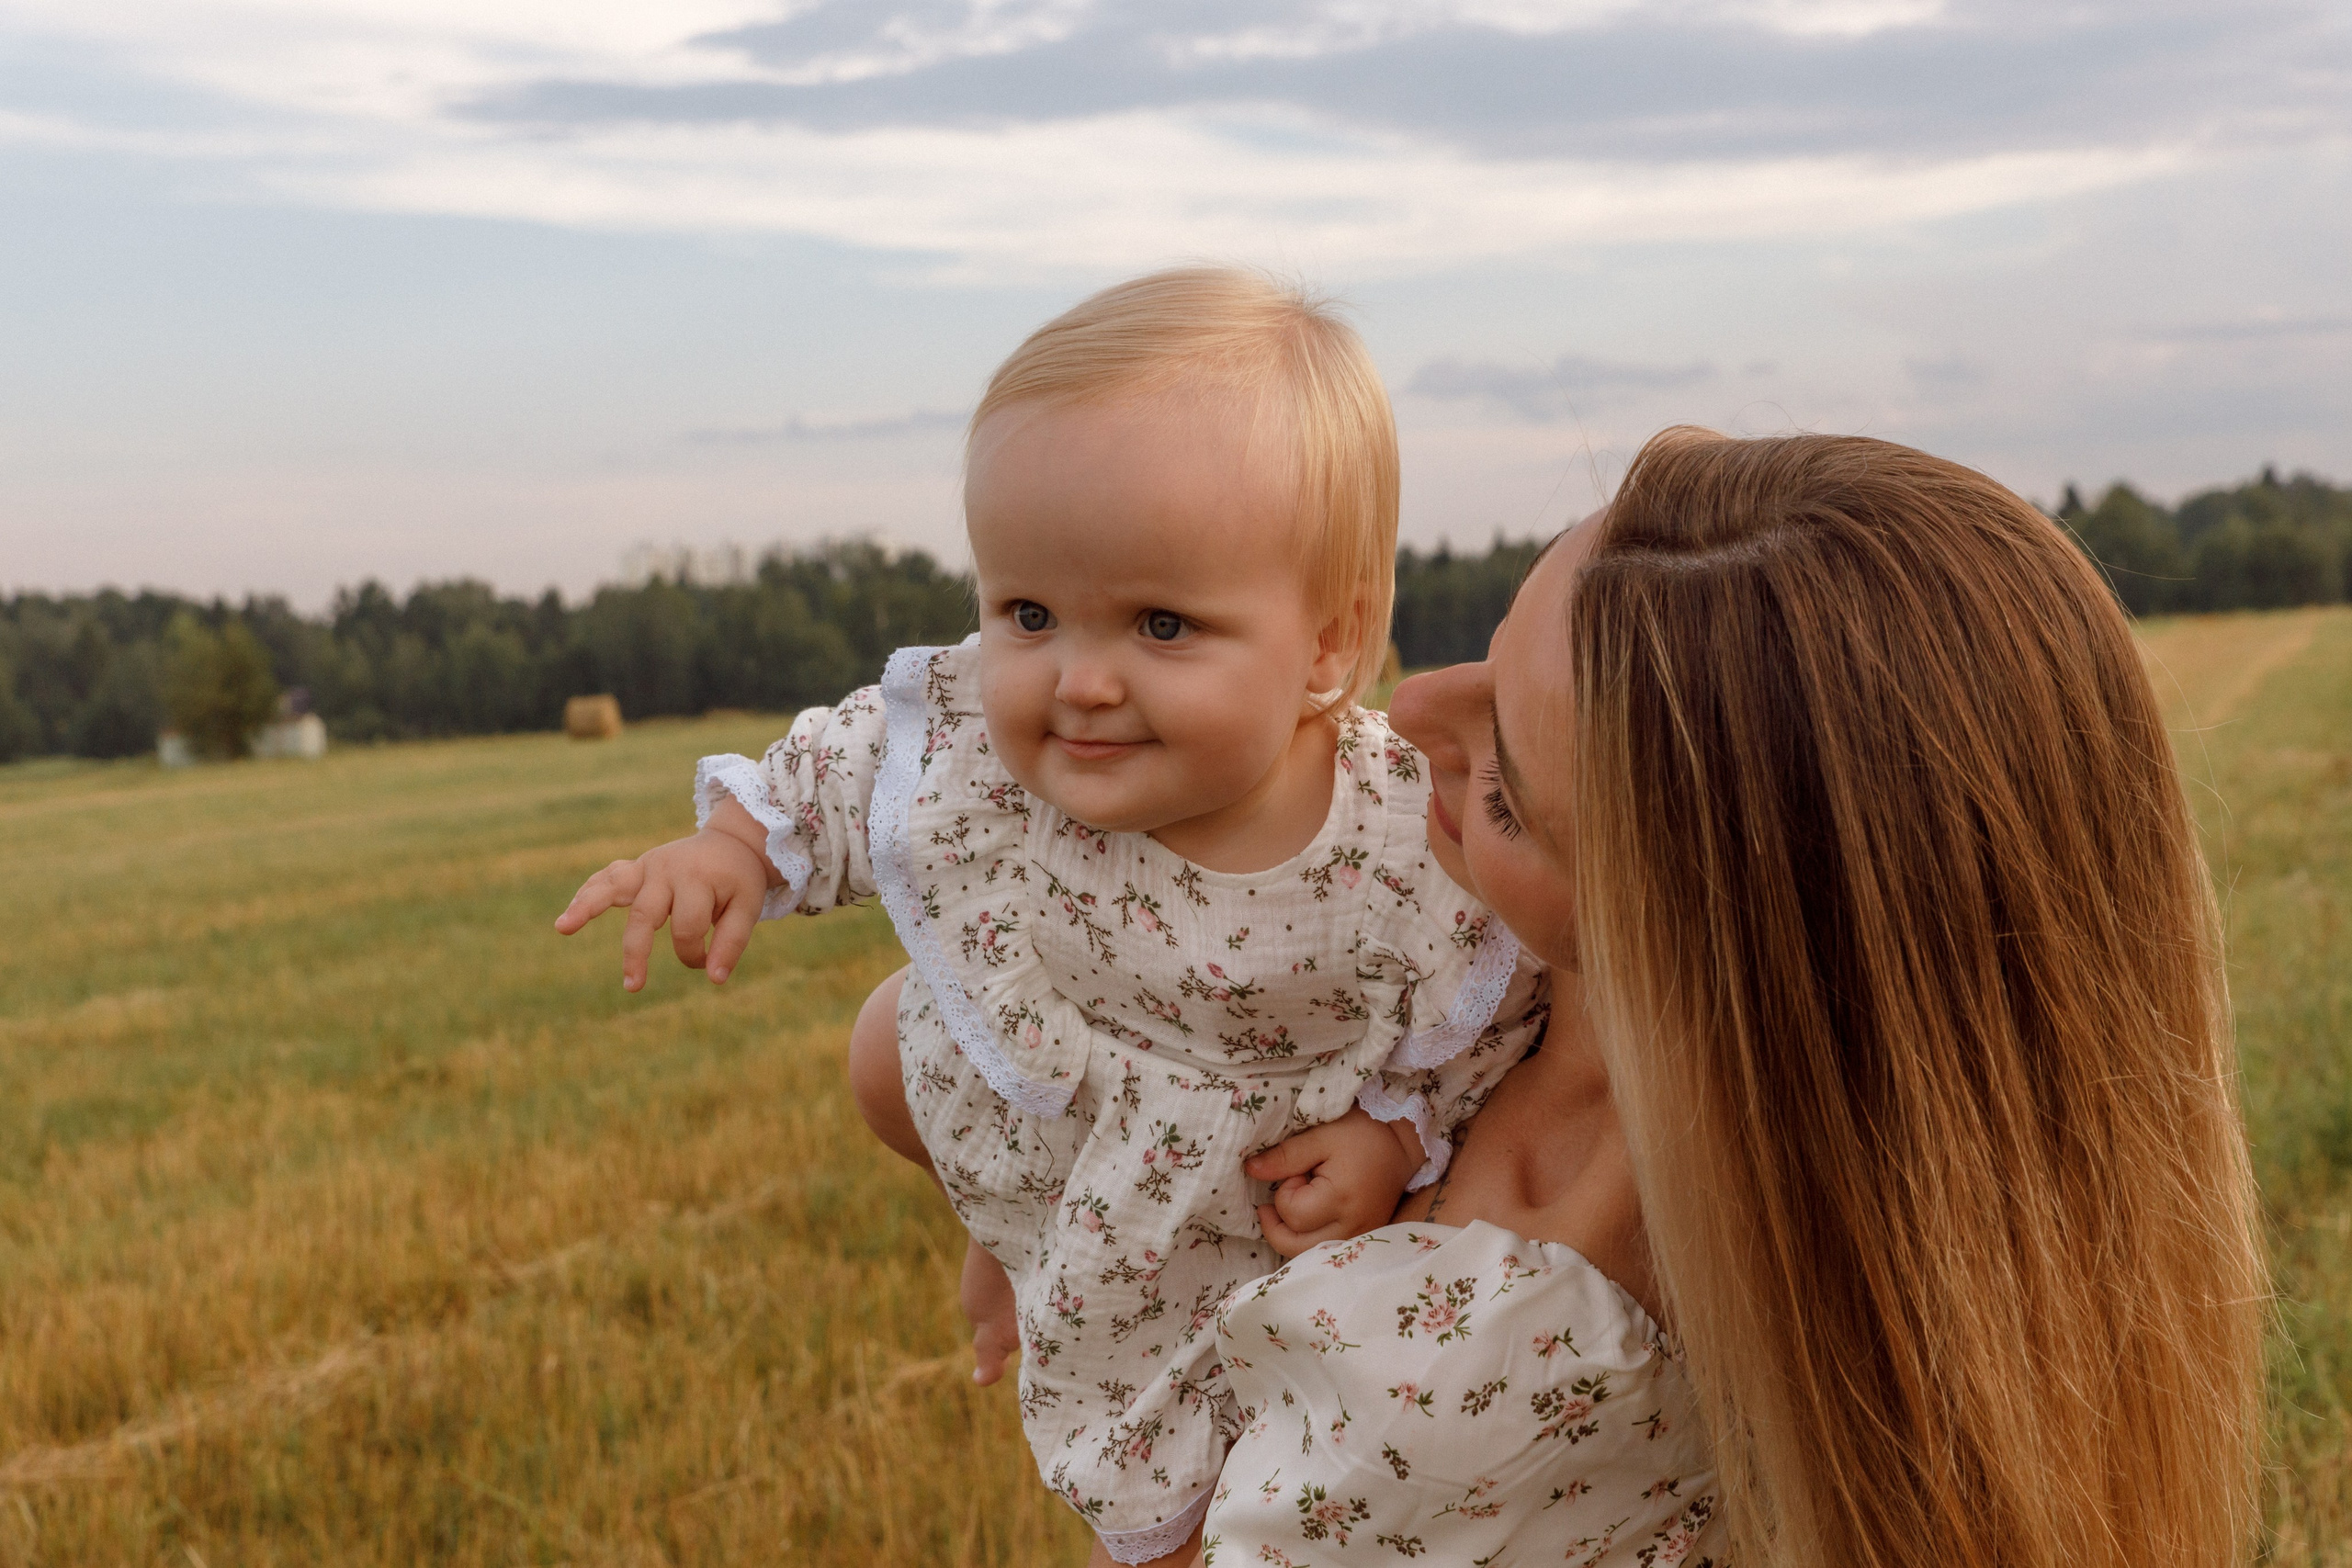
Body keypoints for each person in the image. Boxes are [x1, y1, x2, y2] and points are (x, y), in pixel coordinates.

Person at [553, 267, 1548, 1566]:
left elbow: (1483, 988)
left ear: (1327, 643)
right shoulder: (988, 744)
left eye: (1161, 623)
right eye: (1025, 611)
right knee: (889, 1059)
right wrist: (733, 848)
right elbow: (852, 763)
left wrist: (1389, 1123)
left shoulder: (1390, 828)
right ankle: (1025, 1242)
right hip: (1079, 1122)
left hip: (1256, 1189)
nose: (1077, 679)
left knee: (1264, 1479)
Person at [1197, 429, 2266, 1567]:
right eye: (1496, 646)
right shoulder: (1491, 971)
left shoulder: (1515, 1367)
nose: (1410, 710)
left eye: (1505, 793)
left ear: (1698, 942)